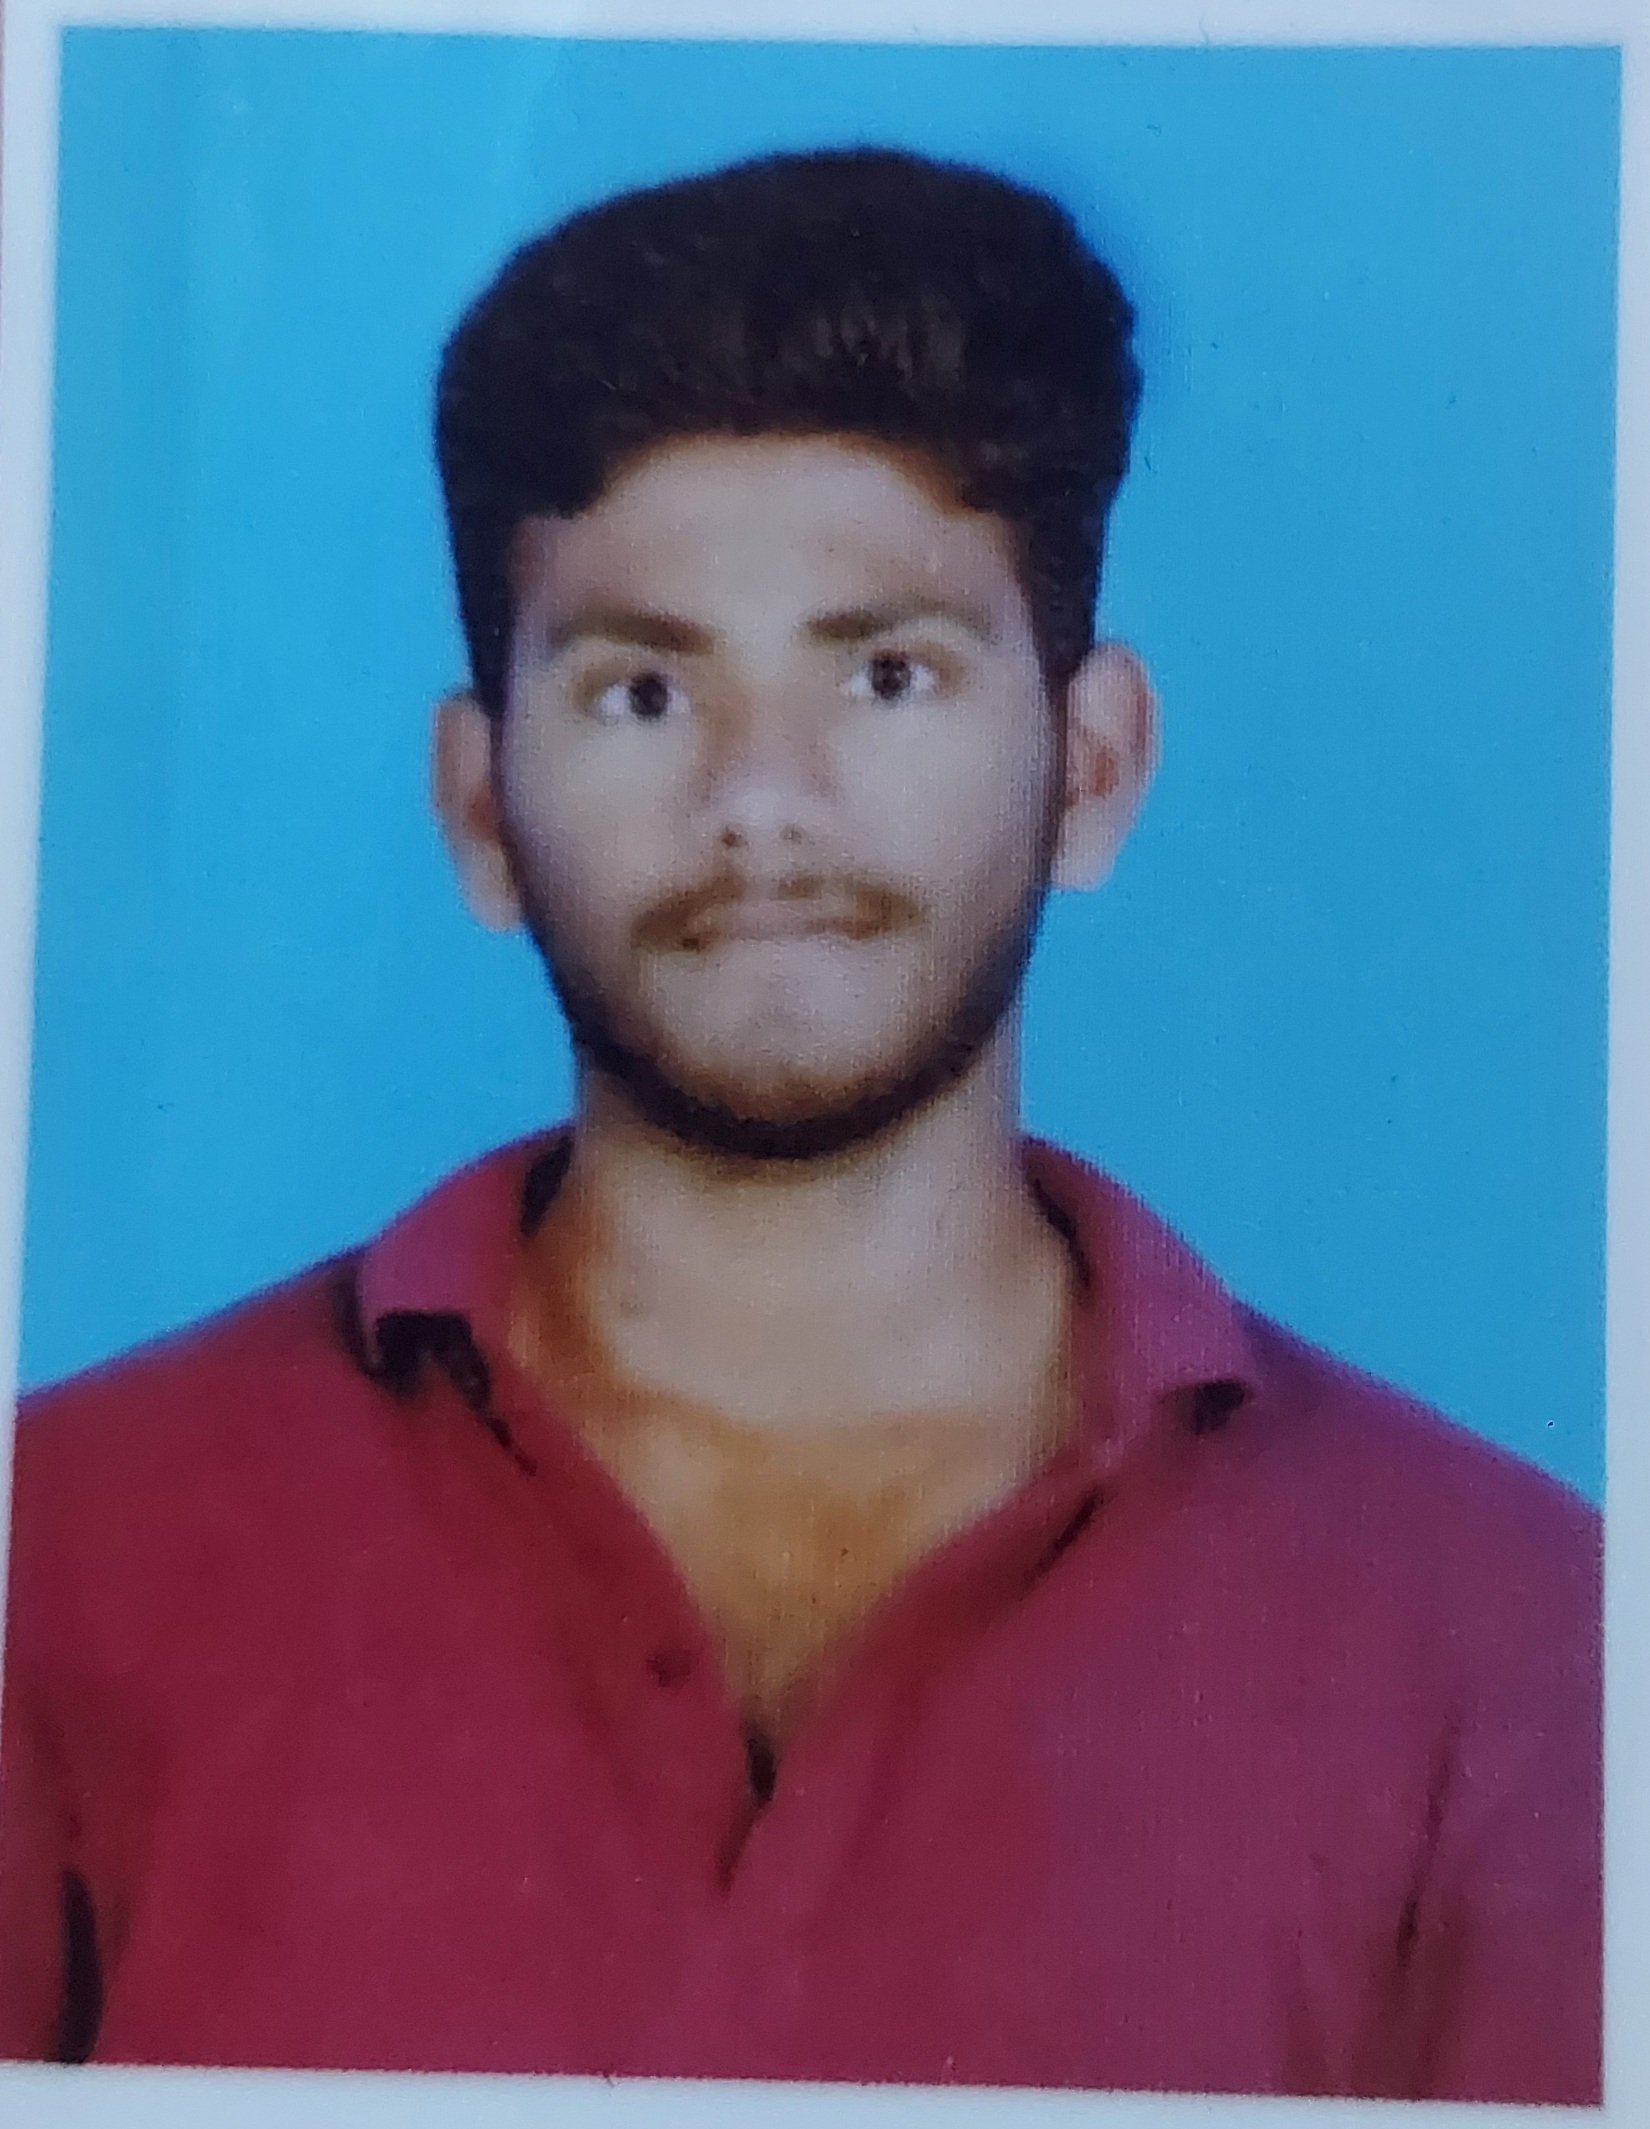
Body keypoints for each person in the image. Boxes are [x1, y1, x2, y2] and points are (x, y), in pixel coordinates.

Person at [0, 146, 1600, 2101]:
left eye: (889, 673)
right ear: (479, 806)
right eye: (642, 691)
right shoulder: (57, 1547)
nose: (763, 798)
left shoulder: (1518, 1637)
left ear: (1092, 767)